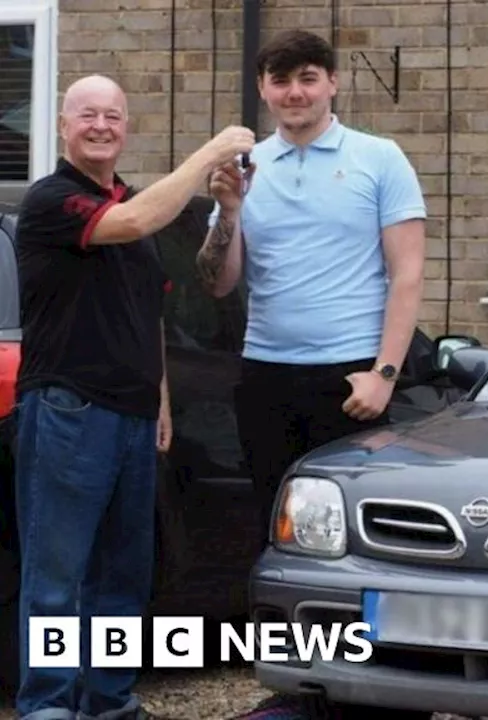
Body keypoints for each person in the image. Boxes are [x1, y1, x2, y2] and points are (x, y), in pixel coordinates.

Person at [11, 74, 254, 720]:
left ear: (126, 128)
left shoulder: (134, 210)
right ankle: (48, 706)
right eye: (87, 115)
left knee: (123, 576)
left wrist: (163, 401)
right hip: (70, 409)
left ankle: (108, 702)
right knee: (58, 575)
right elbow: (138, 219)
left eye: (113, 117)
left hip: (134, 416)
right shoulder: (53, 201)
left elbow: (148, 314)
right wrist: (208, 154)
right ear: (64, 126)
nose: (100, 126)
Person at [195, 29, 427, 544]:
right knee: (274, 525)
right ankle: (285, 624)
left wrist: (383, 374)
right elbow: (218, 282)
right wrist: (229, 211)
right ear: (262, 88)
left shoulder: (380, 158)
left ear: (332, 84)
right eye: (281, 81)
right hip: (265, 374)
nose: (295, 93)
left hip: (350, 379)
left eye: (308, 79)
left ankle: (352, 627)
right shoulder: (244, 168)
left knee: (353, 532)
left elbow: (407, 274)